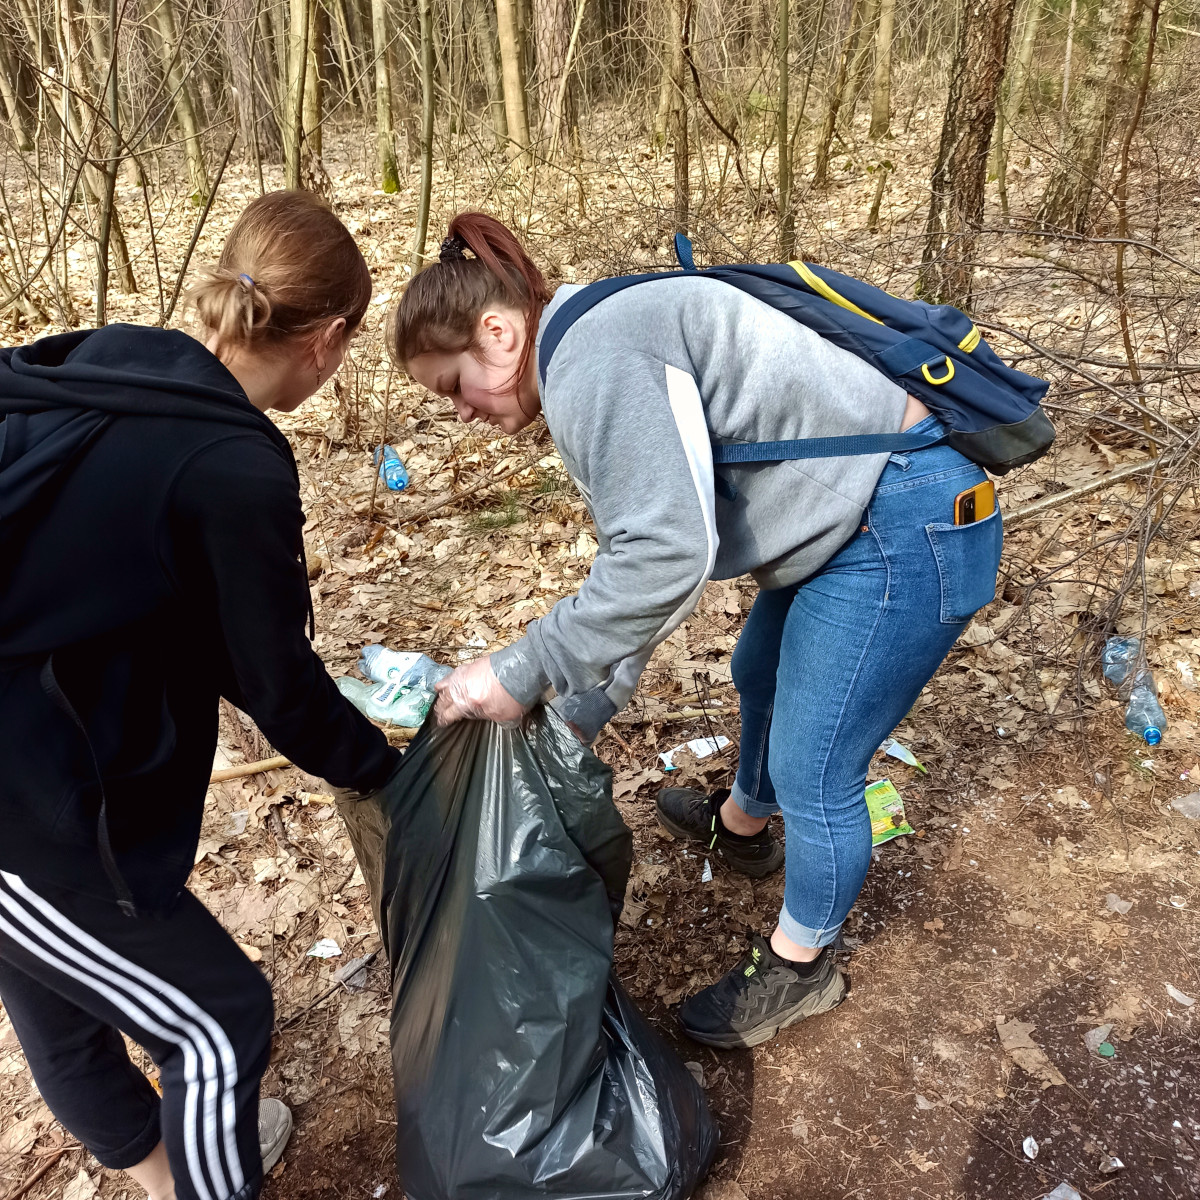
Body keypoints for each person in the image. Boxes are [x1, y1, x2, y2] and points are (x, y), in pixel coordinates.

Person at [391, 212, 1003, 1051]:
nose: (459, 412)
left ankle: (802, 967)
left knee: (816, 765)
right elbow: (644, 563)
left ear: (497, 334)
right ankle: (744, 831)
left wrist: (523, 669)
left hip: (906, 516)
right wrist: (577, 704)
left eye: (453, 386)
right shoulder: (588, 336)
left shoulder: (593, 361)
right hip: (852, 518)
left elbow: (664, 559)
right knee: (758, 672)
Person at [0, 190, 399, 1200]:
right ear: (331, 340)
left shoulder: (119, 362)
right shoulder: (229, 464)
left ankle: (162, 1173)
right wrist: (390, 776)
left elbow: (192, 622)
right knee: (218, 1021)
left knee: (63, 1005)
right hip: (22, 808)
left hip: (41, 750)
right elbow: (274, 683)